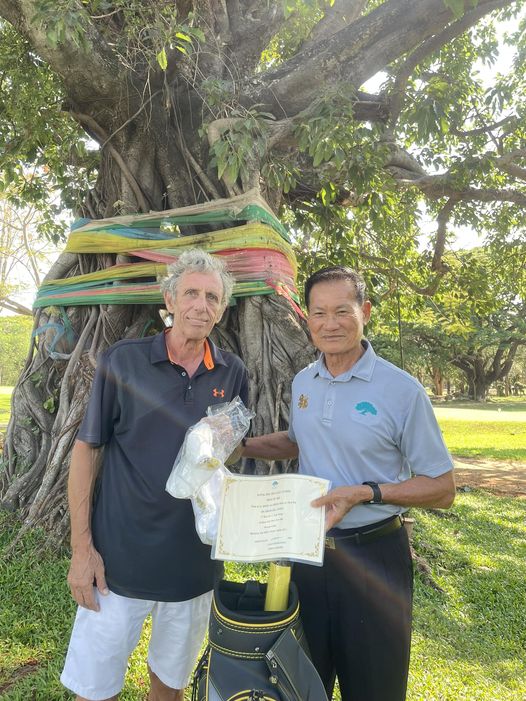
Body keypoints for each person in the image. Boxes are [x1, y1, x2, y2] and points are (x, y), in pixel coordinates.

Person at [241, 265, 455, 701]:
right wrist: (239, 446)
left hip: (374, 556)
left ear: (366, 312)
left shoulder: (401, 390)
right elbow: (297, 442)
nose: (330, 323)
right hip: (308, 556)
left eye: (342, 310)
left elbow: (442, 487)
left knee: (375, 685)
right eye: (319, 313)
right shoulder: (304, 381)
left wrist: (367, 492)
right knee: (303, 679)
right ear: (306, 318)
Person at [61, 249, 249, 701]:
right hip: (118, 566)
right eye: (190, 294)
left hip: (193, 568)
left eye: (212, 297)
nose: (201, 306)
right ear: (169, 298)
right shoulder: (123, 361)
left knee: (170, 686)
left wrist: (225, 440)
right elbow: (87, 451)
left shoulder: (232, 371)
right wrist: (82, 550)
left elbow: (230, 455)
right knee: (94, 689)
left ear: (222, 308)